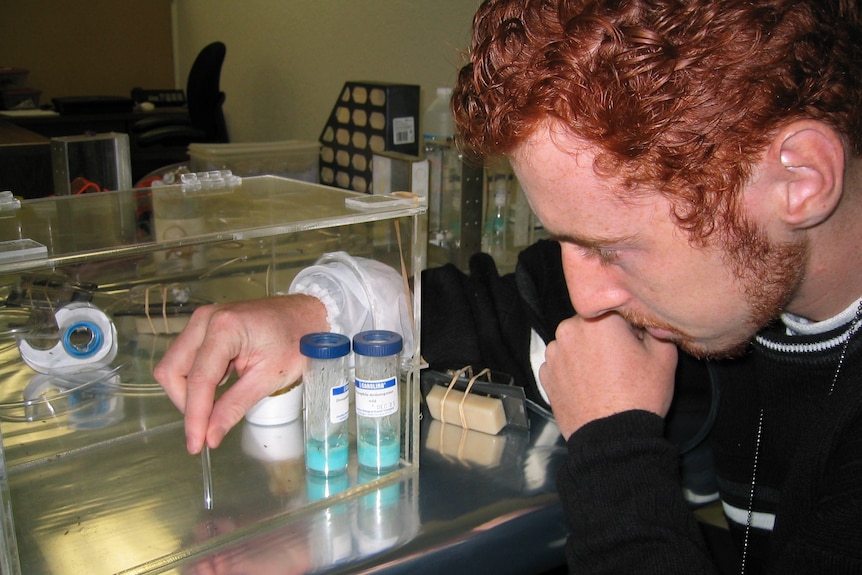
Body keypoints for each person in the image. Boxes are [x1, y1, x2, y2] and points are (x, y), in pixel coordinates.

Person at [155, 0, 862, 573]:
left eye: (612, 248)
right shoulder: (736, 281)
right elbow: (500, 304)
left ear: (799, 178)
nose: (583, 297)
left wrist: (615, 446)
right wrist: (317, 311)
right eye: (567, 240)